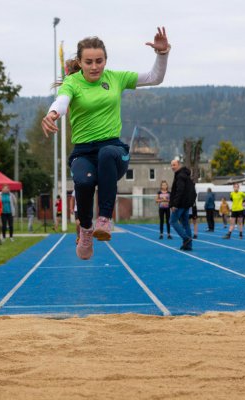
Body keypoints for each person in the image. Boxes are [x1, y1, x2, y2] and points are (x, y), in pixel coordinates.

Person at [41, 27, 170, 259]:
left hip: (113, 151)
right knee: (82, 181)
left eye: (99, 61)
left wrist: (162, 54)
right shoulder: (72, 82)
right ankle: (87, 230)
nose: (94, 67)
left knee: (107, 153)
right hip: (83, 152)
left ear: (105, 60)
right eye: (88, 62)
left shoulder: (115, 78)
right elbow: (62, 100)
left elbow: (154, 78)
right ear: (80, 62)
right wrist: (52, 114)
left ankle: (105, 219)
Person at [169, 159, 195, 251]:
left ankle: (186, 238)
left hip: (180, 204)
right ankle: (189, 245)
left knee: (172, 221)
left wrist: (174, 204)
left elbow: (179, 191)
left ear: (179, 165)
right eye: (171, 165)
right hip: (186, 204)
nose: (172, 167)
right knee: (185, 224)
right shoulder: (185, 175)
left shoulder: (180, 176)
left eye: (174, 165)